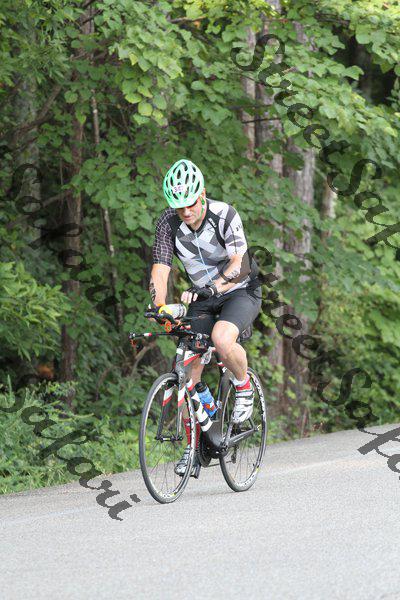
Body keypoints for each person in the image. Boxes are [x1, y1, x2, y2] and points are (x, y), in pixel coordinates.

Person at [150, 158, 262, 475]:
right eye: (178, 206)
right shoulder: (168, 223)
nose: (185, 211)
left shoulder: (224, 214)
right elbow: (160, 268)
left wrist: (215, 286)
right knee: (187, 370)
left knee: (221, 339)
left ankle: (243, 385)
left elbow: (239, 262)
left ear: (202, 194)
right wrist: (159, 305)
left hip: (240, 289)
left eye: (190, 204)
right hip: (203, 297)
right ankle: (194, 444)